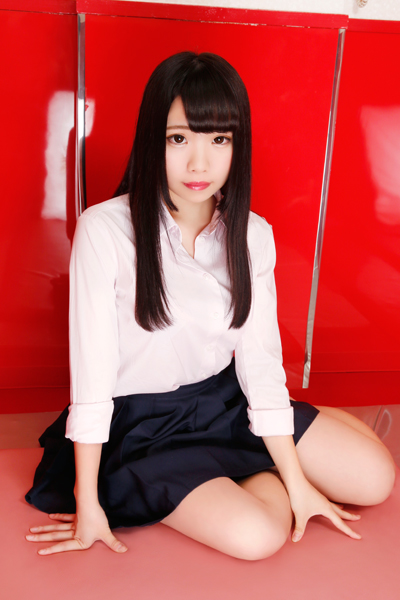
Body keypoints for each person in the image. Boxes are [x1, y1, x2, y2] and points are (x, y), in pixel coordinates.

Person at [25, 51, 395, 560]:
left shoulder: (252, 234)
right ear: (152, 138)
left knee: (377, 480)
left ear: (237, 145)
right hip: (143, 425)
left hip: (223, 402)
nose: (199, 164)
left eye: (219, 139)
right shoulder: (104, 229)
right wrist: (87, 501)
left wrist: (299, 482)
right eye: (179, 139)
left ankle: (273, 453)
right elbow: (91, 376)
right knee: (258, 538)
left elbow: (260, 363)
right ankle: (254, 468)